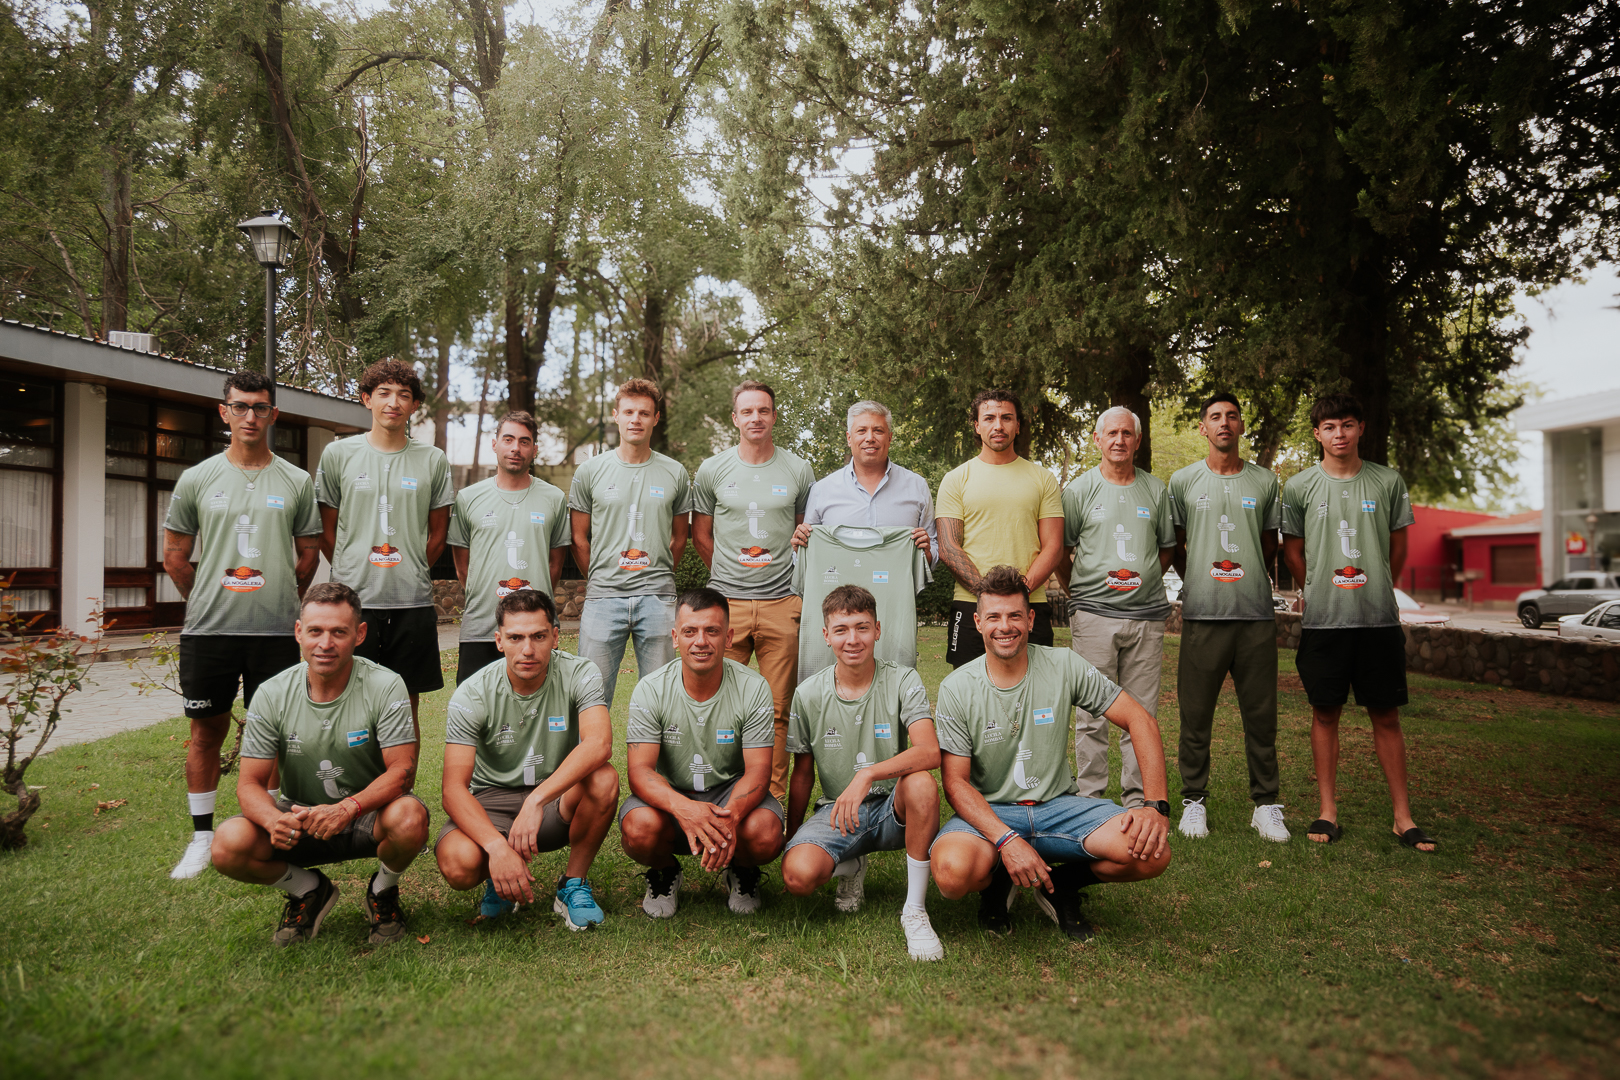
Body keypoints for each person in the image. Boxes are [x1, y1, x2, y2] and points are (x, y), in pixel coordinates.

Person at [929, 566, 1172, 941]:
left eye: (1014, 615)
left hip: (1058, 806)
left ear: (1030, 619)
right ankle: (997, 880)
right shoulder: (957, 687)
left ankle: (1060, 884)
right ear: (978, 622)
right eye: (993, 616)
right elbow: (956, 784)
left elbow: (1140, 720)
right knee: (951, 874)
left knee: (1152, 855)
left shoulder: (1063, 665)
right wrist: (1005, 840)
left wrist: (1155, 805)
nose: (1004, 626)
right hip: (993, 811)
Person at [161, 370, 323, 879]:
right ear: (223, 411)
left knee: (271, 733)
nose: (250, 416)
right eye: (240, 406)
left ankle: (267, 826)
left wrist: (280, 598)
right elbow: (175, 555)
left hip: (276, 632)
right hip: (209, 631)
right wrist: (207, 596)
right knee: (205, 732)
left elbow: (308, 552)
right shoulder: (198, 478)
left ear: (273, 414)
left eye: (260, 407)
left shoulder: (296, 481)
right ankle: (202, 837)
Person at [211, 583, 430, 947]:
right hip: (300, 818)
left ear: (359, 634)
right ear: (299, 632)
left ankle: (382, 892)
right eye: (315, 631)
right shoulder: (271, 693)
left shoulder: (385, 685)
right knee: (228, 845)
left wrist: (348, 808)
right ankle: (308, 890)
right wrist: (273, 821)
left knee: (409, 818)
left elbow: (402, 772)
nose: (325, 643)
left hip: (366, 814)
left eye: (338, 632)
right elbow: (248, 784)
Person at [1281, 393, 1435, 852]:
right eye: (1329, 427)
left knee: (1385, 714)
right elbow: (1293, 550)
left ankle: (1402, 817)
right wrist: (1320, 589)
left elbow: (1398, 551)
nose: (1339, 434)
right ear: (1317, 434)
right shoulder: (1299, 486)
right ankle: (1327, 812)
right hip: (1325, 623)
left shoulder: (1387, 482)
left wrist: (1375, 584)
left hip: (1377, 621)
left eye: (1347, 424)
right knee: (1324, 713)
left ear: (1361, 428)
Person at [435, 590, 619, 930]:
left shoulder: (581, 673)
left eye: (538, 636)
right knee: (458, 865)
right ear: (499, 640)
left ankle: (572, 884)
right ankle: (500, 876)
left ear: (555, 636)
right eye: (516, 637)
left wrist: (537, 800)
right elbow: (453, 790)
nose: (528, 649)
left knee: (604, 777)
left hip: (553, 799)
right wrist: (496, 847)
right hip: (492, 801)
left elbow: (599, 744)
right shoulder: (472, 693)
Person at [782, 585, 945, 962]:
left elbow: (929, 751)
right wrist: (792, 835)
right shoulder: (807, 693)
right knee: (798, 876)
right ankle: (850, 863)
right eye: (841, 630)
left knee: (920, 783)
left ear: (878, 630)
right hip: (839, 812)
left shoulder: (903, 679)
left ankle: (915, 910)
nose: (852, 639)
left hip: (893, 807)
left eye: (862, 627)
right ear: (826, 635)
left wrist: (867, 774)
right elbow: (803, 771)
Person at [618, 588, 786, 916]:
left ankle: (742, 870)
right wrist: (686, 810)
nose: (701, 641)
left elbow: (759, 771)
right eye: (690, 631)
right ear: (675, 638)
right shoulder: (650, 689)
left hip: (729, 796)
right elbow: (640, 772)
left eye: (712, 631)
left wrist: (729, 818)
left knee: (765, 833)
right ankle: (665, 871)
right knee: (638, 828)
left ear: (729, 637)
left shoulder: (754, 687)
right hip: (673, 797)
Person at [1167, 393, 1288, 842]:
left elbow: (1270, 545)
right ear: (1203, 427)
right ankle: (1194, 802)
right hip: (1202, 614)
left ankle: (1267, 805)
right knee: (1195, 716)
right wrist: (1202, 577)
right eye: (1215, 417)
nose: (1223, 423)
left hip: (1254, 615)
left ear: (1241, 426)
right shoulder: (1181, 481)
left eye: (1231, 416)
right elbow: (1177, 545)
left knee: (1261, 716)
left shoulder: (1264, 481)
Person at [692, 380, 816, 800]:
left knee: (778, 711)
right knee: (718, 704)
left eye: (763, 410)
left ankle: (771, 801)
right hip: (725, 607)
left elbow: (805, 535)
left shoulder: (798, 469)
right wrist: (729, 578)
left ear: (774, 416)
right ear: (735, 419)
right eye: (747, 411)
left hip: (783, 602)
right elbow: (701, 536)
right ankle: (716, 790)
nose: (756, 418)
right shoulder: (712, 469)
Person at [315, 358, 454, 732]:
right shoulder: (338, 455)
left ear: (414, 405)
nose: (394, 402)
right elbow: (326, 531)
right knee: (347, 702)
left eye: (404, 395)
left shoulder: (433, 460)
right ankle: (350, 787)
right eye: (384, 393)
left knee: (405, 707)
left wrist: (410, 568)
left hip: (412, 602)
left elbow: (437, 535)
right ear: (366, 399)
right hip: (353, 602)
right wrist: (350, 568)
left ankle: (401, 788)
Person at [1059, 406, 1176, 810]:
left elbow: (1165, 549)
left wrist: (1142, 582)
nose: (1119, 440)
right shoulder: (1078, 491)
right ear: (1097, 439)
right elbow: (1063, 550)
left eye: (1127, 433)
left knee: (1140, 713)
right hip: (1093, 615)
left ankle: (1139, 799)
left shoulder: (1156, 490)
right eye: (1111, 433)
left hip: (1146, 616)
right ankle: (1090, 798)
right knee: (1092, 712)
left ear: (1138, 441)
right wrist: (1079, 593)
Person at [791, 400, 936, 684]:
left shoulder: (917, 487)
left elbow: (932, 553)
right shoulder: (822, 490)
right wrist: (799, 546)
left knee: (893, 692)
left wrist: (927, 553)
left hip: (893, 625)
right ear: (849, 437)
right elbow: (805, 561)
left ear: (890, 437)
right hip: (837, 626)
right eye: (861, 431)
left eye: (878, 430)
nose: (870, 438)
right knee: (829, 696)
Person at [569, 378, 693, 707]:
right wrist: (596, 576)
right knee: (591, 696)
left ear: (656, 418)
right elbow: (579, 538)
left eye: (644, 413)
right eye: (628, 412)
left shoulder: (675, 472)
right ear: (616, 416)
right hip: (603, 598)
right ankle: (592, 759)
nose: (635, 419)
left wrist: (660, 572)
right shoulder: (590, 471)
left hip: (657, 598)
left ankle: (655, 761)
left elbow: (680, 537)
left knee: (662, 697)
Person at [935, 389, 1065, 668]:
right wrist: (988, 597)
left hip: (1030, 603)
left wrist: (1020, 594)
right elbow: (948, 547)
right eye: (989, 418)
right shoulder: (956, 479)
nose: (998, 425)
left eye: (1007, 418)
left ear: (1018, 426)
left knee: (1037, 690)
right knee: (968, 693)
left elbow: (1053, 547)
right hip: (972, 606)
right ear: (977, 425)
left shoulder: (1043, 479)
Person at [448, 411, 569, 687]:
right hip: (480, 628)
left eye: (525, 442)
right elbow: (462, 566)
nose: (516, 448)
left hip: (537, 631)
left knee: (540, 712)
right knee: (476, 714)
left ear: (535, 449)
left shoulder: (553, 498)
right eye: (509, 439)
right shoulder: (468, 498)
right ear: (495, 444)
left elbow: (555, 564)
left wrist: (531, 605)